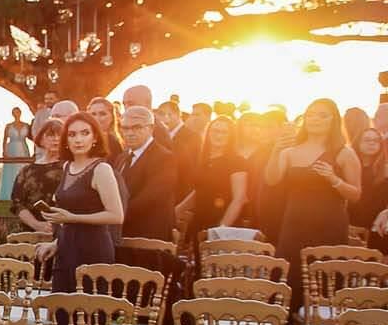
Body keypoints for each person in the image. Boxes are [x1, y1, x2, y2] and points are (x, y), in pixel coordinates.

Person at [267, 98, 363, 312]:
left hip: (329, 225)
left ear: (333, 120)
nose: (315, 119)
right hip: (294, 225)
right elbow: (272, 179)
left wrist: (334, 179)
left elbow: (356, 194)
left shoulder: (344, 153)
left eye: (322, 115)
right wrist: (275, 151)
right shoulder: (290, 151)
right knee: (288, 278)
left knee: (323, 281)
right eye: (311, 113)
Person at [40, 111, 124, 291]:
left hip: (93, 249)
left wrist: (72, 218)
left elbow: (116, 216)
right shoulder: (66, 167)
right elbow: (68, 216)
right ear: (66, 141)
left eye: (84, 133)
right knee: (61, 309)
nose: (78, 139)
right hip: (65, 247)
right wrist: (55, 244)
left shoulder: (101, 169)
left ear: (95, 138)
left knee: (89, 313)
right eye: (72, 134)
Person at [176, 114, 250, 239]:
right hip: (200, 221)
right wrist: (176, 211)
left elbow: (239, 199)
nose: (218, 135)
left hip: (223, 224)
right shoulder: (203, 159)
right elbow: (199, 191)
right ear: (208, 132)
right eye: (215, 131)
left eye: (224, 132)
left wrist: (220, 230)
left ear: (231, 136)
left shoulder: (237, 161)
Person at [115, 104, 178, 243]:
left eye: (137, 127)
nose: (129, 133)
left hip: (151, 236)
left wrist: (115, 215)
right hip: (122, 234)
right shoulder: (121, 157)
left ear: (151, 128)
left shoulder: (164, 158)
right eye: (125, 128)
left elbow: (151, 197)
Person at [10, 117, 66, 235]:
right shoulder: (27, 171)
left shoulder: (71, 168)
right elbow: (17, 204)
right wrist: (37, 225)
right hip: (30, 232)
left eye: (59, 135)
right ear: (41, 139)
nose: (55, 139)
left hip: (64, 231)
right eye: (51, 135)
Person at [0, 108, 30, 201]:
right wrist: (4, 152)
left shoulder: (26, 125)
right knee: (11, 170)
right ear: (12, 114)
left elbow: (33, 137)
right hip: (11, 148)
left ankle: (23, 194)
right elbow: (4, 139)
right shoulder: (8, 126)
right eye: (15, 113)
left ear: (20, 113)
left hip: (23, 148)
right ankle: (8, 193)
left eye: (18, 112)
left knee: (23, 169)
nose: (16, 114)